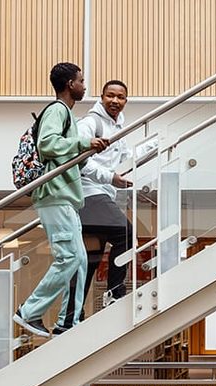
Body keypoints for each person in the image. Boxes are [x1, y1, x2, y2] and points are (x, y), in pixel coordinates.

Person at [12, 62, 109, 337]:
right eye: (81, 80)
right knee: (69, 258)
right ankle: (29, 313)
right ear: (70, 84)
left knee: (78, 260)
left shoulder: (65, 114)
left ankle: (69, 322)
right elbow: (47, 144)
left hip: (64, 196)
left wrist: (86, 151)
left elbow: (61, 152)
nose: (84, 85)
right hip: (54, 195)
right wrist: (83, 143)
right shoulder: (57, 110)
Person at [76, 80, 156, 311]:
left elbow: (123, 158)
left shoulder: (118, 126)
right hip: (89, 192)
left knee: (91, 258)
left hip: (102, 194)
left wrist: (151, 147)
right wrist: (110, 178)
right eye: (110, 96)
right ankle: (114, 292)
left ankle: (74, 312)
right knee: (126, 234)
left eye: (120, 97)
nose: (115, 101)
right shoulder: (90, 123)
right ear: (101, 98)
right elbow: (78, 160)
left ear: (125, 101)